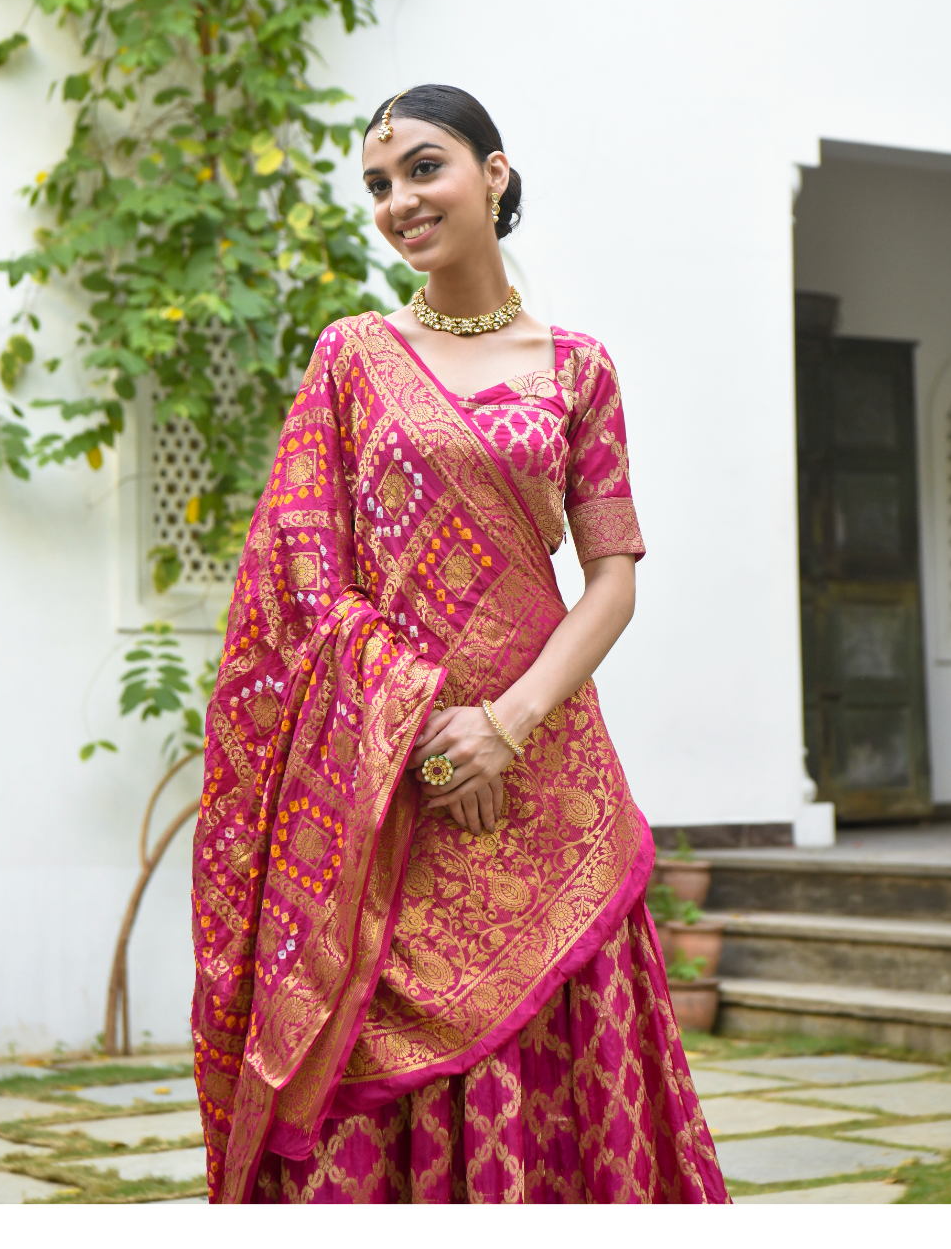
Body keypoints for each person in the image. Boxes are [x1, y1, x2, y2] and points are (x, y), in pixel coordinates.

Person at [191, 84, 729, 1205]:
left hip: (544, 771)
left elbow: (613, 575)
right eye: (379, 185)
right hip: (394, 791)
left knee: (563, 1064)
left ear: (495, 173)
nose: (399, 201)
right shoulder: (352, 359)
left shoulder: (578, 368)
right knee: (358, 1083)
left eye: (424, 168)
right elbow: (302, 574)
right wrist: (421, 719)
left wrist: (504, 727)